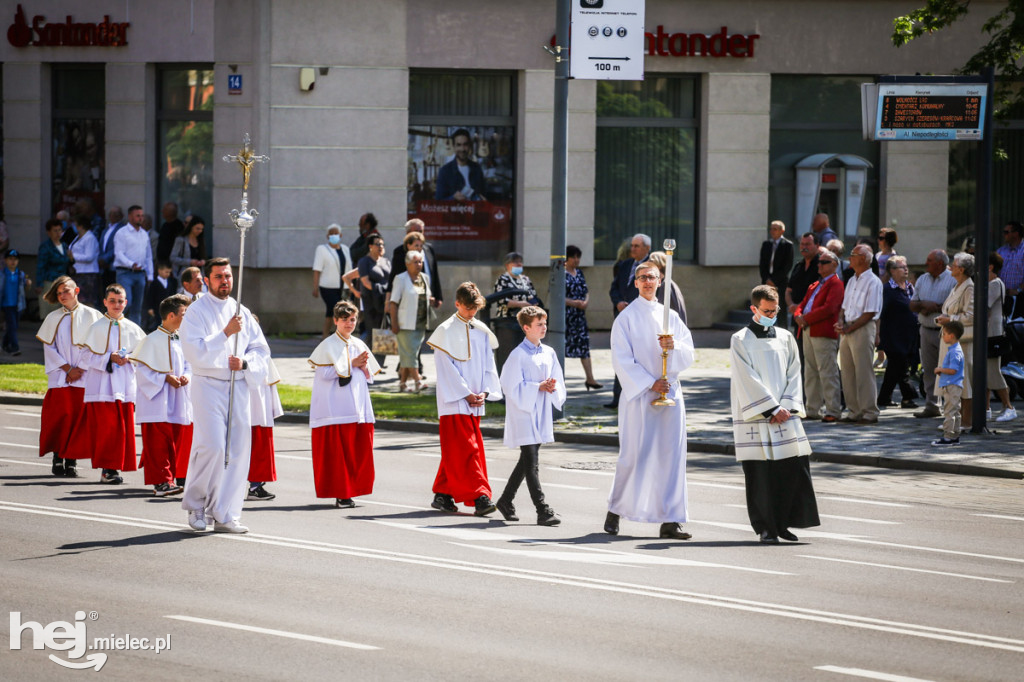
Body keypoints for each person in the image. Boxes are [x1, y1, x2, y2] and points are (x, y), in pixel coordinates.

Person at [179, 258, 271, 534]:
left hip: (237, 384)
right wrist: (225, 334)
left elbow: (260, 350)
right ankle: (197, 505)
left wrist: (243, 364)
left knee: (237, 450)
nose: (225, 282)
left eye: (228, 276)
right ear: (207, 280)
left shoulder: (241, 310)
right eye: (218, 277)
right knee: (213, 446)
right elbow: (193, 351)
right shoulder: (196, 311)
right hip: (208, 384)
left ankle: (224, 512)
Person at [605, 260, 694, 540]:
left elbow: (688, 352)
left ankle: (671, 519)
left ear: (659, 281)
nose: (646, 281)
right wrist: (649, 383)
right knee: (633, 456)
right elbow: (622, 360)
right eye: (642, 277)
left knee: (671, 458)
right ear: (635, 282)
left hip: (670, 393)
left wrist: (674, 346)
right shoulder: (626, 318)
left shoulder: (670, 317)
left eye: (652, 277)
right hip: (640, 398)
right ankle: (615, 509)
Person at [730, 285, 818, 543]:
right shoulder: (740, 339)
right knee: (760, 474)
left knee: (790, 467)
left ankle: (783, 523)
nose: (771, 314)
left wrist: (787, 406)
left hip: (784, 412)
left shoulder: (785, 336)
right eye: (766, 310)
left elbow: (795, 372)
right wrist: (771, 407)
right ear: (754, 309)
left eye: (775, 309)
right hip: (758, 415)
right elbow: (746, 377)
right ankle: (765, 527)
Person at [426, 282, 502, 516]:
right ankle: (480, 496)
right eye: (468, 308)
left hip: (475, 400)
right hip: (455, 401)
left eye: (475, 308)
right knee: (469, 451)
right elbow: (445, 369)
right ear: (457, 304)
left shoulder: (480, 329)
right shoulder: (445, 331)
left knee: (458, 451)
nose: (472, 312)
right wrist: (466, 393)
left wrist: (485, 393)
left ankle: (443, 494)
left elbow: (489, 364)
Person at [495, 306, 565, 526]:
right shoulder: (518, 355)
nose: (544, 327)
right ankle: (542, 509)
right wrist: (537, 386)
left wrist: (552, 386)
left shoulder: (549, 352)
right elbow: (509, 384)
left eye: (544, 323)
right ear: (526, 328)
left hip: (541, 410)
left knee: (526, 461)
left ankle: (506, 500)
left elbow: (556, 376)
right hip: (524, 412)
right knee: (531, 462)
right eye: (539, 324)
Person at [69, 284, 146, 484]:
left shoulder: (134, 329)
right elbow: (84, 357)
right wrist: (107, 358)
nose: (116, 305)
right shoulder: (95, 328)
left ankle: (114, 467)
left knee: (122, 430)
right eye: (112, 301)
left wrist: (128, 358)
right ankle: (107, 470)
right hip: (102, 387)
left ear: (126, 303)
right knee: (107, 431)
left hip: (125, 387)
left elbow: (144, 357)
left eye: (120, 301)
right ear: (105, 302)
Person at [308, 300, 380, 508]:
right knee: (339, 455)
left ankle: (352, 490)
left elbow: (369, 376)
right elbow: (324, 373)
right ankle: (342, 493)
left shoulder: (358, 344)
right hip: (335, 409)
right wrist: (351, 364)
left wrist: (364, 367)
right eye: (345, 320)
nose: (350, 324)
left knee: (356, 453)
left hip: (357, 408)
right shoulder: (328, 345)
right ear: (336, 321)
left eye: (353, 320)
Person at [36, 276, 104, 477]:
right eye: (59, 293)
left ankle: (72, 460)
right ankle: (58, 456)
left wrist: (80, 368)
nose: (62, 295)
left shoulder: (93, 315)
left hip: (84, 377)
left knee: (78, 420)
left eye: (66, 291)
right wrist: (67, 369)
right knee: (60, 418)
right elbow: (49, 348)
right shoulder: (52, 318)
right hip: (60, 377)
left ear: (77, 291)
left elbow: (96, 346)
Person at [130, 293, 192, 497]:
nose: (187, 317)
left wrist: (185, 377)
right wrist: (165, 378)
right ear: (171, 315)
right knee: (157, 444)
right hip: (156, 400)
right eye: (184, 313)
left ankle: (170, 479)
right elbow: (143, 371)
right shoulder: (151, 340)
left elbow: (188, 365)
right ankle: (161, 482)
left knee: (173, 442)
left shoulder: (183, 339)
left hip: (177, 398)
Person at [793, 249, 844, 422]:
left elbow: (829, 308)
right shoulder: (814, 285)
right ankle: (812, 409)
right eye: (819, 262)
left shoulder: (836, 284)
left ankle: (833, 410)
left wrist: (805, 318)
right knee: (810, 371)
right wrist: (798, 316)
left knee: (827, 371)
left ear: (834, 265)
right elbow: (802, 304)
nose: (819, 265)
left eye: (824, 262)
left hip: (822, 331)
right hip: (807, 329)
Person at [836, 243, 883, 424]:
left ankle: (869, 412)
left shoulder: (873, 281)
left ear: (863, 259)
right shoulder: (852, 280)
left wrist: (849, 327)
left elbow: (870, 312)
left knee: (864, 371)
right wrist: (841, 322)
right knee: (847, 371)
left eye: (853, 255)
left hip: (862, 328)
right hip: (848, 329)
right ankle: (854, 411)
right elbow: (844, 307)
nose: (850, 258)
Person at [909, 249, 956, 418]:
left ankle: (951, 407)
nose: (926, 263)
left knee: (949, 369)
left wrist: (934, 307)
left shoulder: (953, 280)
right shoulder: (922, 279)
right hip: (926, 329)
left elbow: (956, 305)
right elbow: (912, 305)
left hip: (946, 332)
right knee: (929, 370)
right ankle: (932, 405)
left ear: (940, 263)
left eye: (929, 261)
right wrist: (923, 304)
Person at [606, 236, 651, 408]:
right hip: (621, 317)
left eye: (637, 246)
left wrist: (633, 306)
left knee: (636, 357)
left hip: (639, 318)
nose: (633, 249)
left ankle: (637, 393)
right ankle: (617, 397)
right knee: (620, 354)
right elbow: (614, 288)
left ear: (647, 248)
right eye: (632, 246)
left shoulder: (651, 267)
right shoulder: (624, 265)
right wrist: (618, 302)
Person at [935, 252, 976, 431]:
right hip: (949, 339)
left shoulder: (969, 287)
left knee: (963, 381)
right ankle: (952, 420)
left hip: (962, 342)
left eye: (954, 264)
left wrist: (949, 318)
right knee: (951, 380)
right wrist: (944, 318)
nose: (950, 266)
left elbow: (970, 316)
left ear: (961, 269)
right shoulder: (957, 285)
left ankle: (967, 421)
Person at [876, 256, 920, 409]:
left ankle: (883, 398)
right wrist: (878, 336)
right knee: (902, 367)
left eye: (906, 266)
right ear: (892, 270)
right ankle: (908, 397)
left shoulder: (910, 287)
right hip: (893, 336)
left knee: (894, 368)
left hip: (909, 335)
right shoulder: (887, 290)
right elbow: (880, 313)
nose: (906, 269)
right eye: (902, 267)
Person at [389, 250, 434, 392]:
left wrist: (430, 300)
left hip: (420, 323)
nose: (419, 264)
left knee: (407, 354)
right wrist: (394, 323)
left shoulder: (425, 278)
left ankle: (402, 384)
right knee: (411, 354)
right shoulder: (400, 279)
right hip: (404, 324)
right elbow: (393, 302)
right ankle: (417, 381)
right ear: (407, 264)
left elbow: (427, 296)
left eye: (420, 261)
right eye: (415, 262)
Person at [492, 251, 539, 373]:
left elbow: (533, 296)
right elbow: (502, 299)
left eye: (520, 262)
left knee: (525, 350)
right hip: (507, 321)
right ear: (507, 265)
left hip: (526, 321)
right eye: (515, 262)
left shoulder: (526, 280)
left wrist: (532, 305)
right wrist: (520, 304)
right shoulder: (503, 279)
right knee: (509, 351)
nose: (519, 264)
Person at [564, 244, 601, 389]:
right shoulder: (560, 274)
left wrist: (585, 302)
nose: (576, 260)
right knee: (563, 347)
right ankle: (559, 378)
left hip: (579, 316)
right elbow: (557, 296)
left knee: (584, 346)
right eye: (573, 257)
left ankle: (590, 378)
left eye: (578, 257)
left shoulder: (579, 273)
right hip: (567, 316)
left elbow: (586, 290)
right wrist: (573, 303)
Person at [986, 253, 1017, 422]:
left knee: (993, 372)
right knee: (984, 372)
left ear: (990, 266)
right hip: (988, 333)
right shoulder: (990, 283)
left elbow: (984, 306)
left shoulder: (995, 283)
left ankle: (1009, 407)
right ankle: (986, 408)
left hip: (993, 334)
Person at [247, 359, 283, 501]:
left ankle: (255, 486)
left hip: (259, 404)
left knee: (259, 448)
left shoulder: (261, 352)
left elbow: (269, 381)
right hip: (242, 403)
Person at [387, 220, 443, 308]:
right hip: (407, 301)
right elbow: (393, 278)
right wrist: (388, 301)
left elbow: (434, 274)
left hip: (428, 300)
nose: (420, 234)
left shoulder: (429, 249)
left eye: (421, 231)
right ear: (408, 233)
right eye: (417, 231)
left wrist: (438, 296)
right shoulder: (400, 252)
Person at [113, 205, 153, 326]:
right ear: (130, 217)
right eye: (138, 216)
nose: (141, 218)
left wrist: (150, 275)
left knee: (137, 307)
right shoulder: (122, 233)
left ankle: (135, 333)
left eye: (142, 216)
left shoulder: (144, 234)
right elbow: (119, 253)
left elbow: (148, 256)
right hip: (125, 273)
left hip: (140, 274)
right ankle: (116, 326)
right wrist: (131, 264)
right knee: (126, 302)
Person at [312, 223, 354, 339]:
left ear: (340, 235)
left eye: (336, 233)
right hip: (327, 287)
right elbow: (317, 269)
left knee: (334, 312)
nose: (334, 235)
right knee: (335, 309)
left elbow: (349, 269)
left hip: (343, 287)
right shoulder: (322, 249)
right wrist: (315, 287)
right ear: (327, 236)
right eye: (331, 234)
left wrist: (350, 287)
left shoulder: (345, 249)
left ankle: (331, 336)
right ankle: (329, 335)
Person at [358, 233, 391, 367]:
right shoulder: (364, 262)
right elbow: (365, 282)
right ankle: (362, 357)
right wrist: (379, 290)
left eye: (382, 244)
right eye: (378, 244)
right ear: (370, 246)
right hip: (371, 301)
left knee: (385, 329)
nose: (381, 247)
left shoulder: (386, 261)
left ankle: (379, 363)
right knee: (372, 331)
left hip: (385, 300)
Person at [932, 320, 966, 446]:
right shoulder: (954, 349)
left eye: (944, 333)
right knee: (955, 411)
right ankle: (955, 436)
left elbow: (953, 370)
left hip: (952, 385)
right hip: (953, 384)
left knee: (949, 411)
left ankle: (948, 437)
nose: (942, 336)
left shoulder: (954, 351)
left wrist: (940, 369)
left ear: (951, 335)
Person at [435, 128, 486, 201]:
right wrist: (453, 198)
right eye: (458, 145)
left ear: (469, 146)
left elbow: (483, 194)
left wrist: (483, 200)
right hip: (454, 212)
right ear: (454, 147)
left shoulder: (477, 168)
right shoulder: (445, 171)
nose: (462, 149)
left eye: (465, 144)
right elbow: (438, 202)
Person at [760, 220, 794, 328]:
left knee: (780, 308)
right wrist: (766, 279)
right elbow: (762, 264)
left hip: (780, 282)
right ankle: (765, 329)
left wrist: (774, 280)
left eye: (775, 229)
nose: (772, 231)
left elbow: (787, 266)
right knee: (765, 307)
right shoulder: (766, 244)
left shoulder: (787, 245)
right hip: (767, 281)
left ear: (782, 231)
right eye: (771, 229)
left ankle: (782, 330)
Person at [36, 218, 71, 320]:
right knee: (50, 315)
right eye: (55, 231)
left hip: (63, 283)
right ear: (49, 232)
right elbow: (40, 266)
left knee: (62, 315)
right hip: (49, 282)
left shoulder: (64, 246)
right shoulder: (45, 247)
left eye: (59, 230)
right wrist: (39, 284)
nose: (58, 233)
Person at [1, 249, 30, 356]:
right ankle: (14, 348)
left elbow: (25, 289)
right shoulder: (2, 274)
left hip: (18, 304)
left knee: (13, 326)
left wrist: (28, 284)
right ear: (5, 260)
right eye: (10, 259)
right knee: (12, 325)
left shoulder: (20, 274)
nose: (13, 262)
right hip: (6, 304)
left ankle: (4, 344)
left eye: (15, 259)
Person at [68, 215, 101, 308]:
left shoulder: (89, 238)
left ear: (81, 226)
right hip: (78, 272)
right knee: (78, 300)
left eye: (75, 224)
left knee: (88, 301)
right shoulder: (77, 237)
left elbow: (89, 256)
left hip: (88, 274)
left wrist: (73, 256)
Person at [647, 251, 688, 324]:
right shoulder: (661, 283)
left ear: (659, 265)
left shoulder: (667, 285)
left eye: (650, 261)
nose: (647, 264)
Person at [997, 220, 1023, 317]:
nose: (1004, 235)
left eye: (1006, 232)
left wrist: (1019, 291)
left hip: (1019, 299)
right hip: (1001, 297)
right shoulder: (1000, 251)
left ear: (1016, 234)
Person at [170, 215, 206, 280]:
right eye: (197, 228)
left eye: (202, 229)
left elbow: (203, 257)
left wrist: (203, 262)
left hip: (199, 277)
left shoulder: (200, 240)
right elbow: (173, 258)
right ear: (191, 227)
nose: (200, 231)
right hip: (185, 277)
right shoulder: (181, 240)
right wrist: (189, 262)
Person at [98, 206, 126, 289]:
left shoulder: (122, 229)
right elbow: (101, 246)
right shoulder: (105, 230)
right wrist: (100, 259)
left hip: (113, 267)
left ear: (121, 216)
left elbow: (118, 247)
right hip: (103, 268)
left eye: (116, 214)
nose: (113, 216)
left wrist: (105, 259)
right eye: (111, 213)